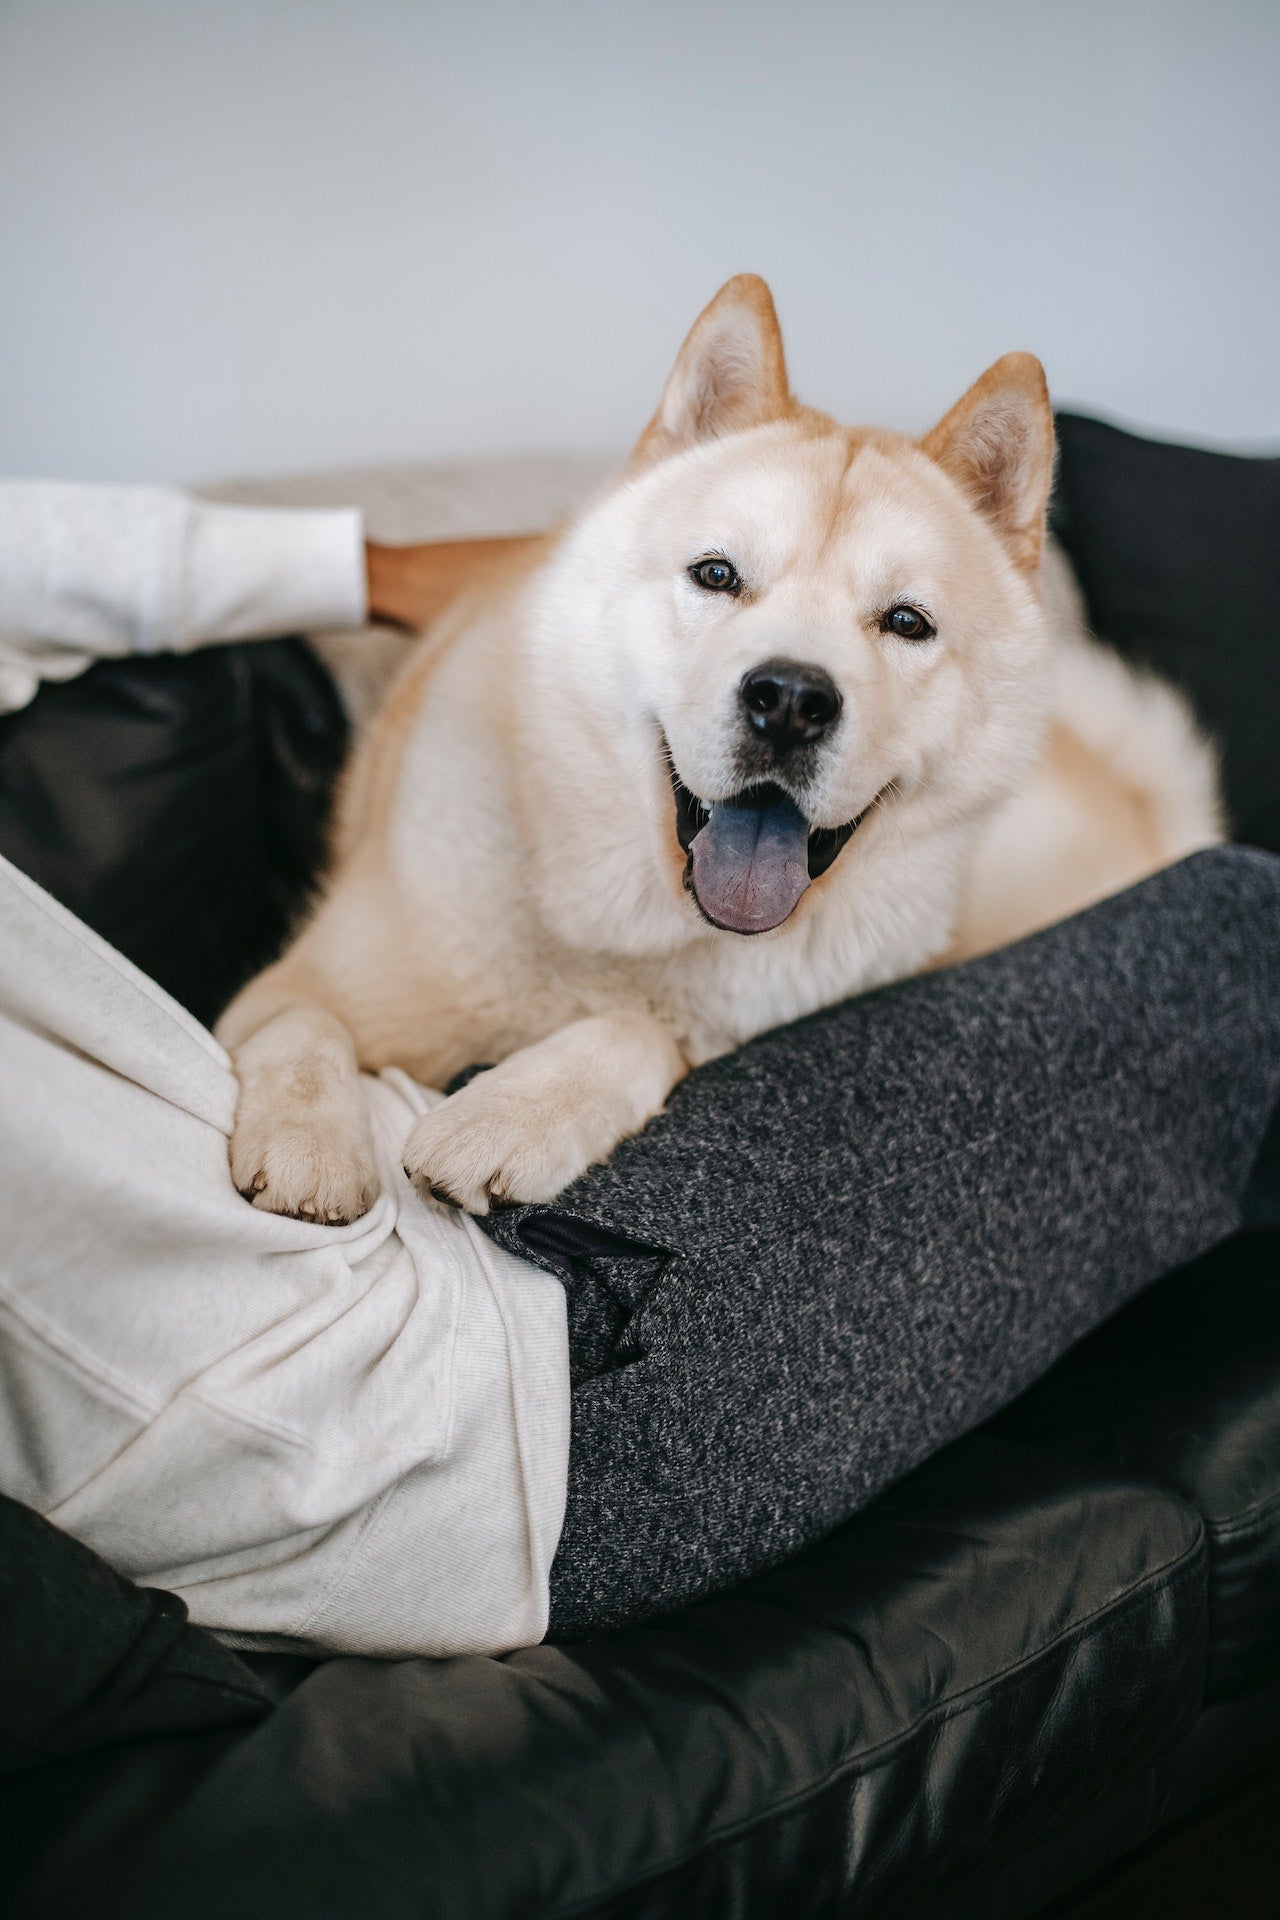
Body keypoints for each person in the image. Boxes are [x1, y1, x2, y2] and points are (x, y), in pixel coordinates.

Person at [0, 482, 1277, 1658]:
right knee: (1232, 928)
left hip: (435, 1329)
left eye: (895, 616)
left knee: (1198, 923)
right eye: (720, 575)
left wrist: (375, 569)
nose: (793, 672)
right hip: (470, 1418)